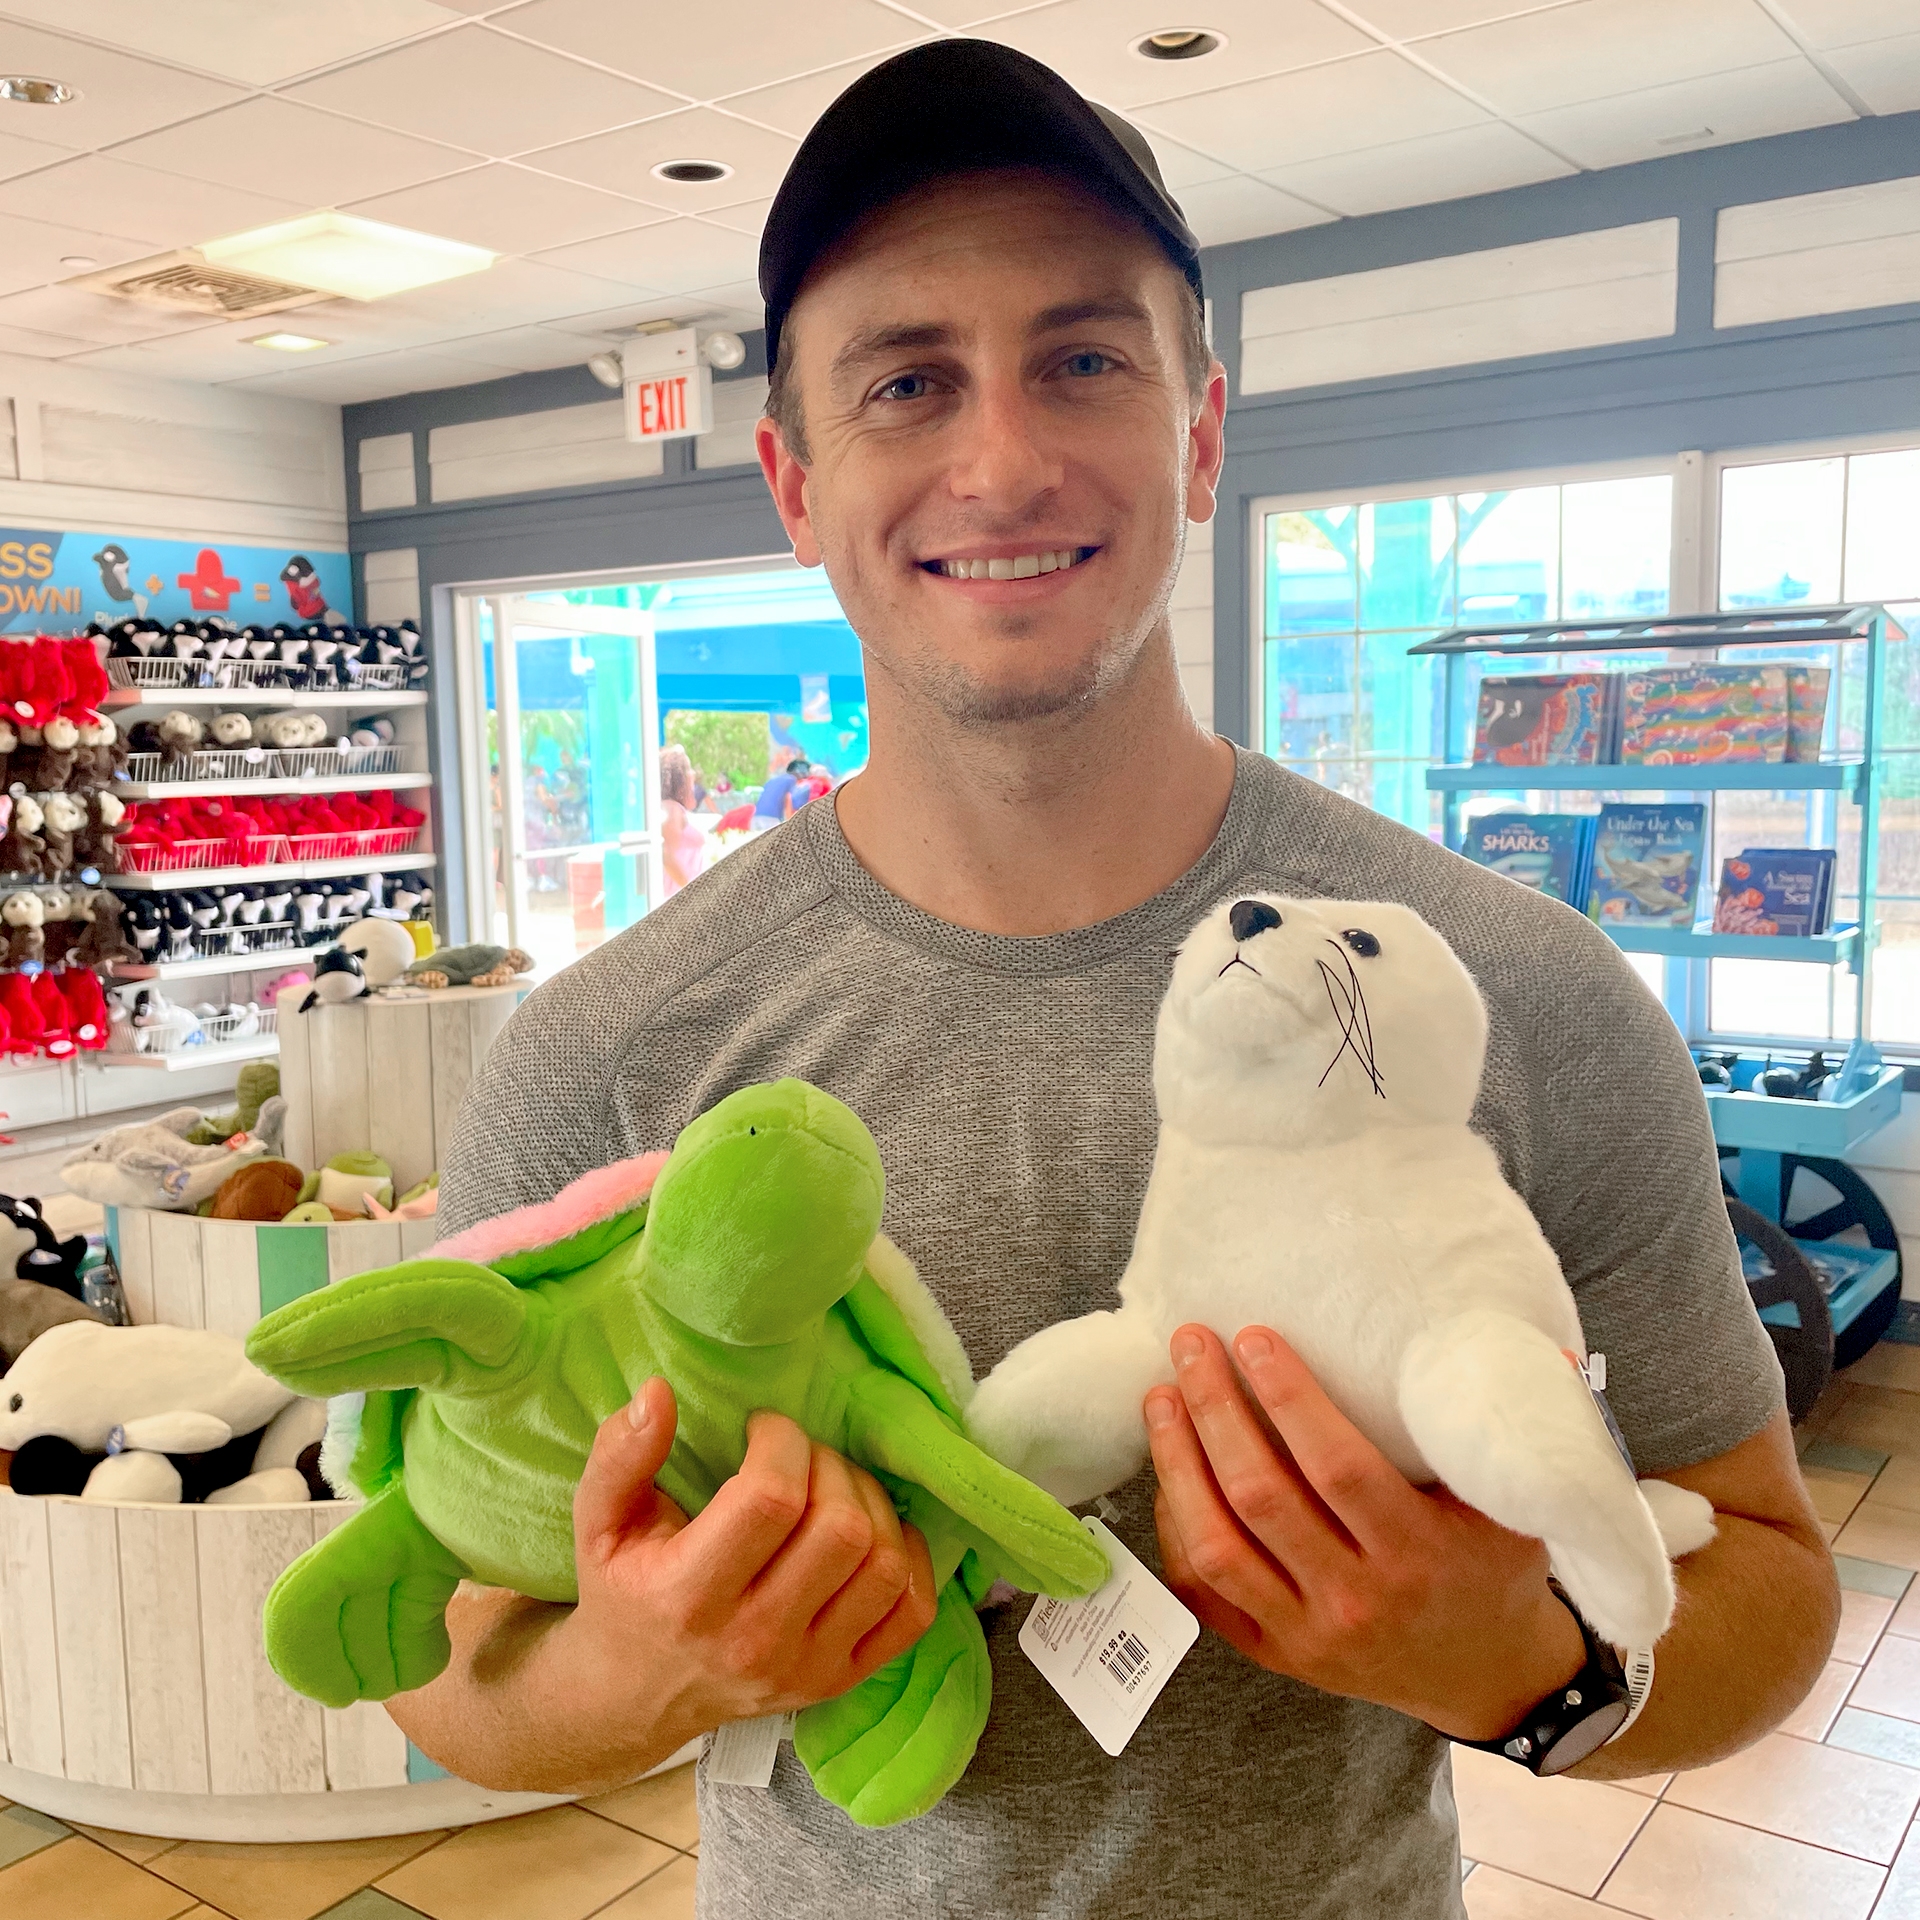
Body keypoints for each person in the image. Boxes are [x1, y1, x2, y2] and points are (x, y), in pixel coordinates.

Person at [407, 40, 1835, 1919]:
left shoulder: (1504, 993)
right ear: (793, 477)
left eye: (1085, 360)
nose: (1002, 459)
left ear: (1204, 432)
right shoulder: (604, 1048)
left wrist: (1520, 1666)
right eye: (907, 382)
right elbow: (443, 1657)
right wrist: (640, 1669)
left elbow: (1770, 1582)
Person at [659, 744, 705, 896]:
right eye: (688, 768)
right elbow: (667, 856)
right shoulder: (671, 809)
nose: (692, 773)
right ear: (679, 776)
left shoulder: (675, 809)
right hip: (678, 896)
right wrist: (693, 892)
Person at [750, 755, 812, 831]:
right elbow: (791, 800)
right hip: (771, 820)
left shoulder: (772, 780)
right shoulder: (791, 780)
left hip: (756, 818)